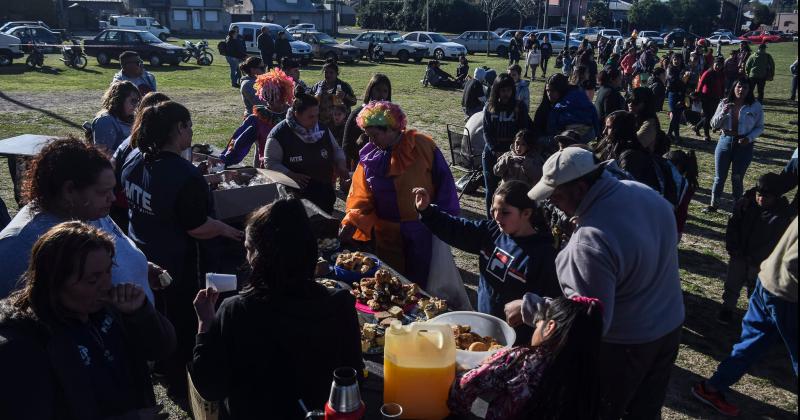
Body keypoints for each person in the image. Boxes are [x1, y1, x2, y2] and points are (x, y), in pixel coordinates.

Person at [510, 146, 685, 419]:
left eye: (555, 195)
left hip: (626, 345)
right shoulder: (646, 194)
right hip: (669, 327)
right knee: (646, 410)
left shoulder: (589, 242)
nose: (551, 202)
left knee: (602, 411)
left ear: (580, 189)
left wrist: (530, 307)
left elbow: (587, 322)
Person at [190, 199, 363, 419]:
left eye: (248, 249)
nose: (246, 257)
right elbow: (354, 377)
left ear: (259, 257)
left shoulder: (236, 311)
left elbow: (210, 387)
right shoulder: (340, 303)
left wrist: (205, 324)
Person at [122, 101, 244, 399]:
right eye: (189, 126)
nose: (191, 131)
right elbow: (196, 226)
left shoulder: (134, 159)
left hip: (143, 252)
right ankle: (180, 374)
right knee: (181, 319)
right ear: (179, 128)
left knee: (154, 313)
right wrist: (230, 230)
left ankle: (161, 364)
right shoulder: (183, 174)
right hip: (177, 264)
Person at [0, 221, 176, 420]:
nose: (106, 284)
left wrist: (141, 314)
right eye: (92, 280)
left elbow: (161, 349)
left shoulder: (106, 310)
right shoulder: (22, 345)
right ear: (55, 282)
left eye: (109, 271)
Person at [0, 137, 160, 303]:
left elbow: (117, 254)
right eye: (103, 192)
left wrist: (140, 268)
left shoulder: (89, 211)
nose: (112, 198)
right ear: (69, 190)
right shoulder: (17, 245)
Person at [340, 101, 459, 288]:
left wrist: (445, 222)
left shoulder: (422, 146)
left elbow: (445, 184)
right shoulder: (370, 156)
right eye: (367, 136)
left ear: (391, 129)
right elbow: (361, 196)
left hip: (422, 231)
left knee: (421, 284)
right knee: (391, 283)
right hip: (387, 236)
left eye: (375, 135)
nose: (371, 141)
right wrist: (351, 221)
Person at [692, 216, 797, 417]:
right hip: (787, 294)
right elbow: (794, 264)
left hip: (769, 280)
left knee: (753, 342)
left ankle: (711, 388)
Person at [414, 181, 558, 323]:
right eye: (494, 210)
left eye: (505, 212)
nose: (496, 217)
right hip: (485, 322)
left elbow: (548, 307)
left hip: (517, 337)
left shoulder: (542, 255)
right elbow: (458, 230)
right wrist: (428, 211)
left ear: (526, 213)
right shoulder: (492, 232)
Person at [448, 296, 603, 420]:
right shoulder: (591, 381)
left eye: (538, 324)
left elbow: (463, 391)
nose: (535, 329)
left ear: (549, 327)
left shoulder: (523, 360)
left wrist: (462, 369)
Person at [718, 173, 793, 324]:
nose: (761, 199)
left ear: (776, 197)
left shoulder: (781, 217)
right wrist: (733, 247)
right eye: (759, 195)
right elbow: (733, 226)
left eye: (766, 197)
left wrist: (758, 258)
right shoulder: (745, 206)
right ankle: (727, 308)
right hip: (738, 255)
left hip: (759, 262)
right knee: (732, 283)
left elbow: (775, 243)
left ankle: (753, 314)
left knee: (756, 290)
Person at [265, 93, 348, 214]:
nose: (315, 120)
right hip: (294, 198)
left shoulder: (322, 129)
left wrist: (341, 165)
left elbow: (336, 150)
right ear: (296, 114)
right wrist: (290, 174)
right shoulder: (279, 134)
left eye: (316, 116)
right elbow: (270, 162)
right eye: (310, 117)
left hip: (323, 193)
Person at [706, 77, 764, 213]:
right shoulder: (724, 102)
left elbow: (760, 127)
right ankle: (713, 204)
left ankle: (738, 206)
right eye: (739, 87)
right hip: (725, 141)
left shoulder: (755, 106)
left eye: (745, 88)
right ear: (734, 87)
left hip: (744, 145)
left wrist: (749, 138)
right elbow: (713, 124)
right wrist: (723, 112)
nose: (741, 90)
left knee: (737, 178)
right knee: (719, 177)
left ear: (749, 90)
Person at [220, 67, 294, 168]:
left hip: (294, 167)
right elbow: (239, 143)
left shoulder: (295, 115)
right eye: (267, 97)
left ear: (284, 95)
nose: (271, 102)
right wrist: (224, 160)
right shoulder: (258, 118)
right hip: (269, 168)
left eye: (275, 96)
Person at [482, 74, 533, 217]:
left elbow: (523, 129)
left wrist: (516, 152)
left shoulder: (519, 107)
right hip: (492, 152)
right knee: (491, 190)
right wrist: (494, 150)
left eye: (509, 90)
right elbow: (486, 131)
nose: (506, 94)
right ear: (496, 90)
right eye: (502, 90)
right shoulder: (489, 107)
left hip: (513, 154)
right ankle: (490, 221)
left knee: (511, 191)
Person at [595, 110, 661, 192]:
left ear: (620, 129)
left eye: (609, 127)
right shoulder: (611, 146)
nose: (604, 131)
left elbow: (626, 188)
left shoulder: (630, 156)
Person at [342, 73, 392, 168]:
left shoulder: (391, 114)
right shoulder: (358, 113)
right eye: (378, 90)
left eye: (385, 91)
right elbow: (346, 145)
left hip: (383, 164)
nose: (381, 94)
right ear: (370, 90)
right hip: (360, 163)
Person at [92, 81, 140, 157]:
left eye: (137, 101)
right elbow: (103, 154)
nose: (136, 105)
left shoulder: (131, 117)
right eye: (133, 101)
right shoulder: (106, 121)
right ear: (119, 99)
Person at [310, 58, 357, 129]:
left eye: (331, 72)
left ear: (337, 73)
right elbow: (309, 101)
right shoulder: (318, 86)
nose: (328, 75)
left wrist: (345, 96)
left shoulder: (344, 86)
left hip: (339, 125)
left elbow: (354, 101)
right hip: (320, 124)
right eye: (326, 72)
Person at [696, 56, 726, 142]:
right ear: (713, 64)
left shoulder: (721, 73)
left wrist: (723, 95)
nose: (718, 67)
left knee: (711, 115)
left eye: (720, 65)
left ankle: (697, 127)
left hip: (716, 97)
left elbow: (723, 85)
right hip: (706, 97)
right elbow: (700, 83)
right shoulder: (708, 73)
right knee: (708, 116)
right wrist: (698, 94)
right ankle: (706, 134)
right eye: (717, 65)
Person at [628, 86, 660, 152]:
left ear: (646, 104)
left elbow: (633, 146)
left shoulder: (650, 124)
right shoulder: (633, 117)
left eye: (635, 101)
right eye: (629, 100)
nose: (630, 104)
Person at [666, 54, 688, 143]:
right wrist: (683, 79)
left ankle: (669, 134)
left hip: (681, 94)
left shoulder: (683, 68)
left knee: (677, 116)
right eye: (674, 59)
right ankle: (677, 136)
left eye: (678, 59)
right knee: (675, 114)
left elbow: (686, 82)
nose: (676, 61)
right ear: (672, 60)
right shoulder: (670, 69)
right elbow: (672, 80)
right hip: (673, 94)